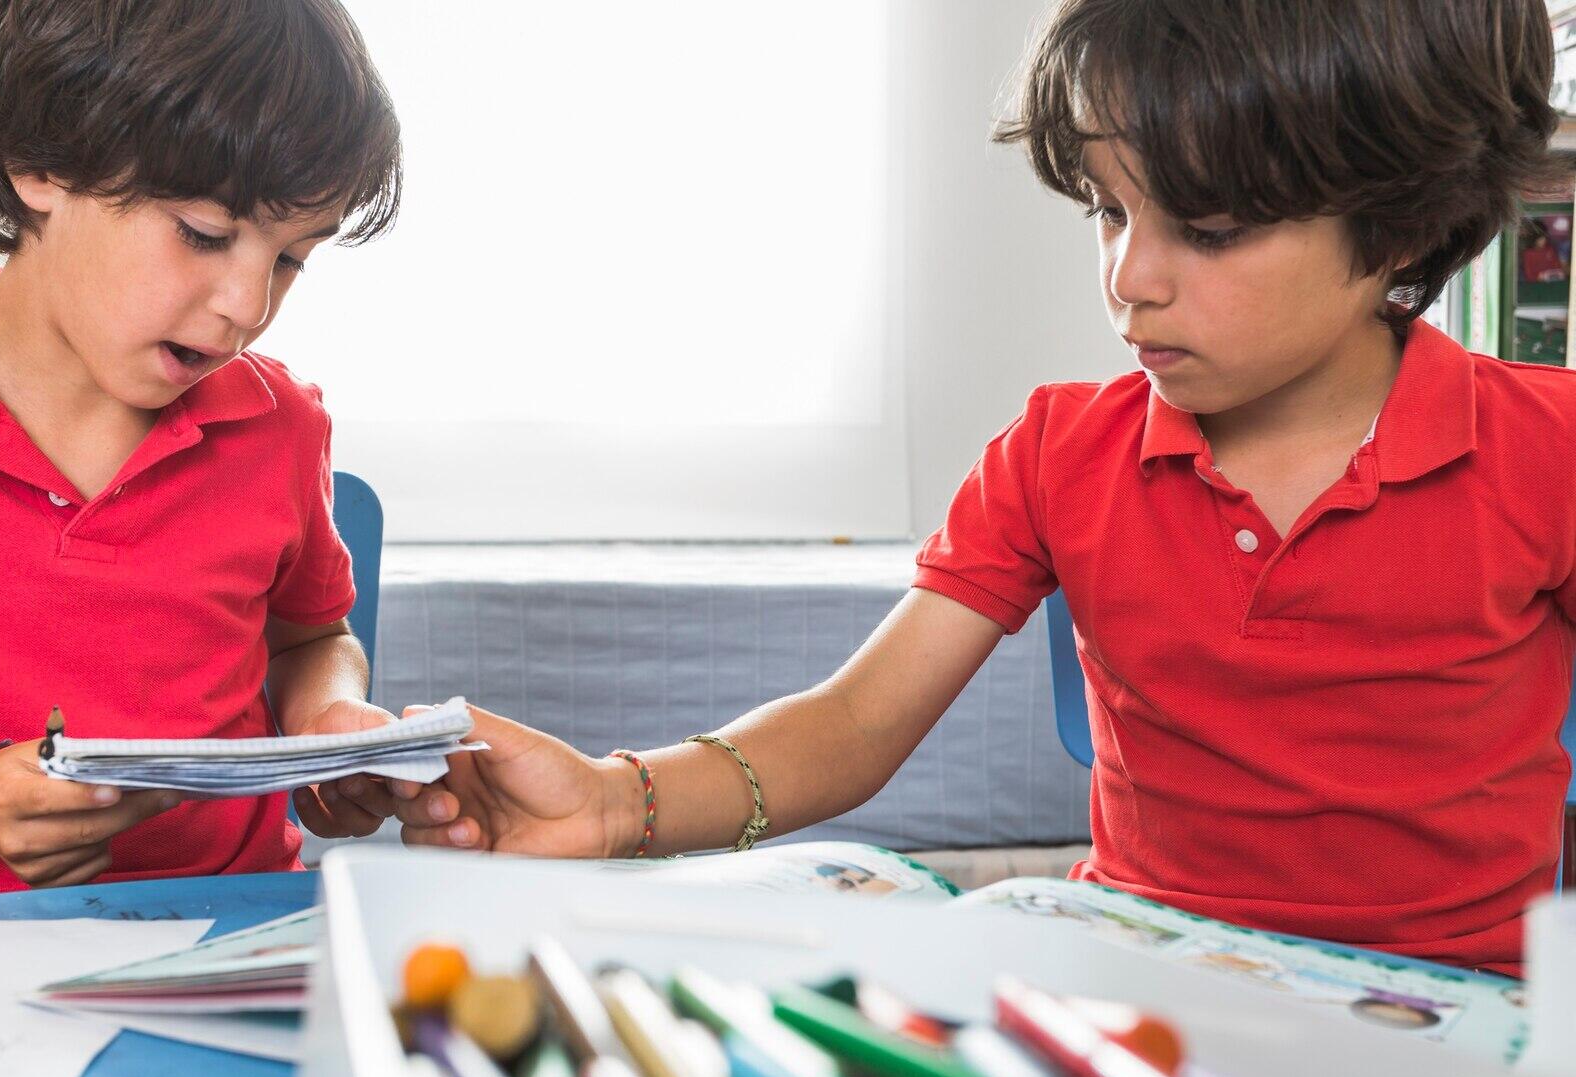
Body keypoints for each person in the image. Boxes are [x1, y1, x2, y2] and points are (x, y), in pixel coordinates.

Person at [382, 0, 1573, 975]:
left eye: (1207, 229)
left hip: (1448, 1021)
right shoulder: (1058, 452)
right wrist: (609, 802)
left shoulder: (1548, 450)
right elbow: (855, 725)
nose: (1131, 277)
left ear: (1402, 227)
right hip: (1149, 989)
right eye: (1109, 209)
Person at [0, 0, 404, 903]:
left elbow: (313, 638)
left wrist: (329, 720)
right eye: (204, 234)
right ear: (39, 167)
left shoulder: (281, 423)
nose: (249, 306)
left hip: (236, 925)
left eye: (290, 258)